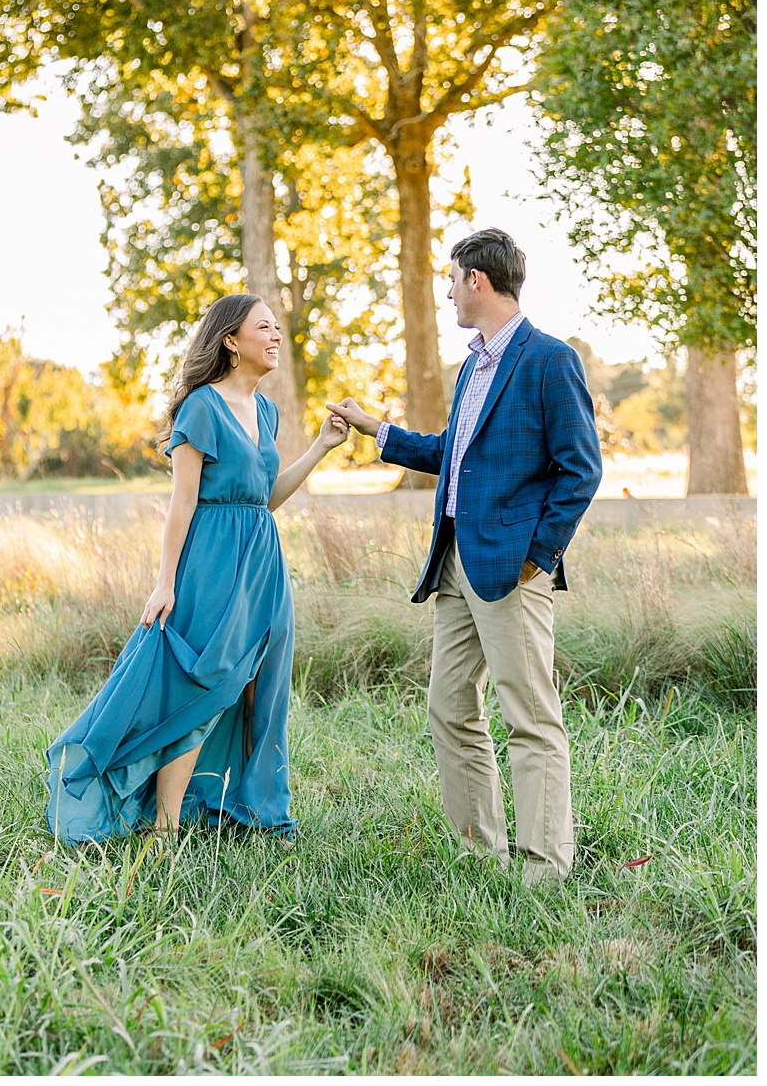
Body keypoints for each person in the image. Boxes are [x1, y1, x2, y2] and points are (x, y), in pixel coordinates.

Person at [327, 228, 601, 883]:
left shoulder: (549, 360)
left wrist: (538, 555)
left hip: (512, 569)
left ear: (477, 279)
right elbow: (451, 452)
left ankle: (543, 867)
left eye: (451, 280)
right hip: (453, 562)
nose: (447, 292)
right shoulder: (471, 367)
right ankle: (482, 854)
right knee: (450, 708)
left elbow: (581, 469)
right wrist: (375, 429)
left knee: (529, 716)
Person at [44, 293, 350, 847]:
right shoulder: (201, 408)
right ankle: (164, 830)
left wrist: (321, 448)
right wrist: (165, 583)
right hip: (210, 565)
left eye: (276, 327)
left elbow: (263, 498)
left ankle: (256, 813)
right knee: (202, 687)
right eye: (264, 327)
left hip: (263, 564)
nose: (276, 336)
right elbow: (181, 504)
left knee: (262, 689)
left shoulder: (266, 411)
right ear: (231, 340)